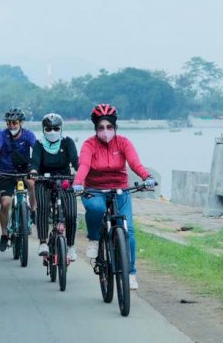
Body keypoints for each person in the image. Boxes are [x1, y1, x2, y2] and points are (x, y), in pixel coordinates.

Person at [73, 104, 155, 291]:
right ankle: (94, 238)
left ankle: (131, 273)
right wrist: (78, 182)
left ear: (115, 127)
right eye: (101, 128)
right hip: (95, 190)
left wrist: (147, 177)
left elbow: (135, 163)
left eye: (109, 127)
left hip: (120, 190)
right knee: (97, 209)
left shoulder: (124, 143)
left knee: (130, 231)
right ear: (96, 129)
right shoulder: (89, 145)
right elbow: (84, 165)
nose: (106, 131)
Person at [0, 107, 36, 252]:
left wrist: (38, 166)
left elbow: (37, 150)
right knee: (5, 202)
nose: (11, 125)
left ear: (20, 123)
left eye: (14, 122)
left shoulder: (28, 135)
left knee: (32, 184)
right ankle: (4, 234)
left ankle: (33, 211)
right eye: (9, 123)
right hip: (5, 172)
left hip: (24, 169)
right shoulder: (2, 135)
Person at [30, 113, 79, 261]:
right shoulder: (39, 144)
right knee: (43, 207)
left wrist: (80, 174)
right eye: (49, 128)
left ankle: (70, 246)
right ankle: (43, 242)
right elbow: (35, 163)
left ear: (61, 129)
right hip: (44, 180)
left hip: (64, 180)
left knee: (71, 213)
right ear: (44, 129)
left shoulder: (67, 142)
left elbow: (76, 162)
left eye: (56, 128)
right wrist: (33, 171)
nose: (52, 131)